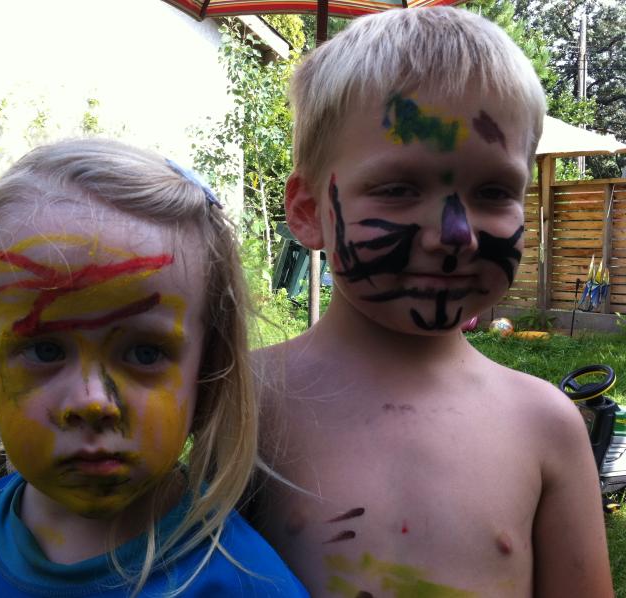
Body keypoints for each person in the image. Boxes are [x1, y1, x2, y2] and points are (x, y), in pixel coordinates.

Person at [250, 7, 613, 597]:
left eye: (493, 191)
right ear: (309, 211)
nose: (455, 234)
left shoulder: (546, 425)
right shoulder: (246, 403)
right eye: (398, 189)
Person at [0, 138, 309, 597]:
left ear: (207, 370)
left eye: (145, 353)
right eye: (44, 350)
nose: (93, 402)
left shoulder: (246, 585)